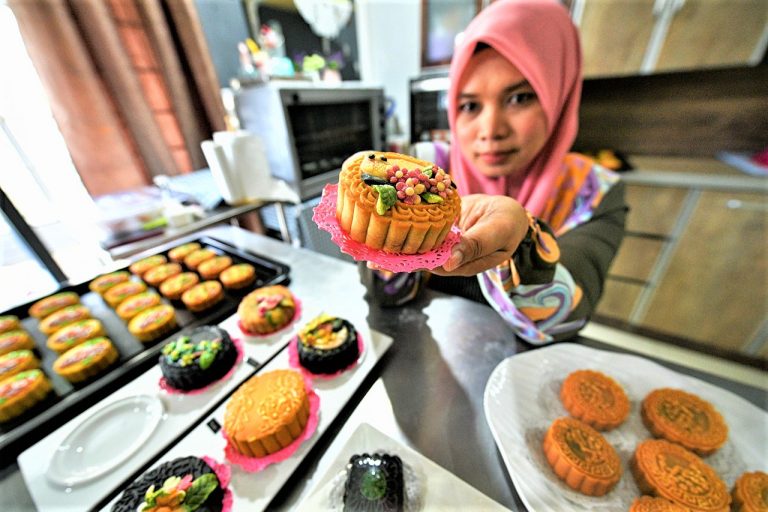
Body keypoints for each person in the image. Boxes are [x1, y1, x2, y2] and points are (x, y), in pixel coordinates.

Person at [361, 0, 627, 344]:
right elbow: (385, 295)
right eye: (470, 105)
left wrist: (523, 244)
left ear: (558, 95)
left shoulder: (592, 192)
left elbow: (567, 319)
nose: (490, 131)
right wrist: (389, 233)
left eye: (519, 98)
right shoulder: (427, 171)